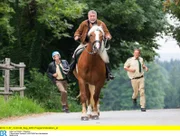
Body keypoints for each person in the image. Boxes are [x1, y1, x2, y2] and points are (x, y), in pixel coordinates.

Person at [70, 10, 114, 80]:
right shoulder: (84, 23)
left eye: (94, 16)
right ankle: (70, 69)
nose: (92, 18)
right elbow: (78, 31)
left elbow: (107, 32)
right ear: (88, 17)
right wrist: (77, 36)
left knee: (105, 57)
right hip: (85, 43)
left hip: (98, 44)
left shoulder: (101, 23)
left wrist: (108, 36)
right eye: (91, 16)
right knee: (75, 52)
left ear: (96, 17)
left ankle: (108, 73)